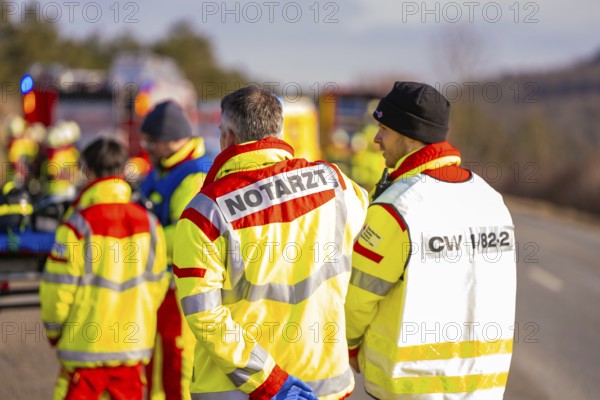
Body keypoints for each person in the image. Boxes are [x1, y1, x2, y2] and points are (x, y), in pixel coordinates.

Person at [172, 85, 369, 400]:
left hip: (240, 390)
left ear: (230, 138)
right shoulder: (337, 182)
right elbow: (374, 249)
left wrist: (271, 382)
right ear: (277, 130)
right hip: (325, 383)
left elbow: (205, 315)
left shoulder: (204, 212)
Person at [344, 82, 517, 399]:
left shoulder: (397, 207)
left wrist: (348, 345)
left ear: (409, 135)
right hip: (483, 387)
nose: (377, 138)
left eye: (384, 128)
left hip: (410, 389)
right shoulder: (492, 200)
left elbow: (357, 298)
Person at [40, 137, 169, 399]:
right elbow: (158, 286)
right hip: (133, 355)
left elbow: (57, 292)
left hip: (85, 356)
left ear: (87, 171)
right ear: (123, 171)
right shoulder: (150, 223)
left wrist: (54, 333)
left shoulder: (76, 225)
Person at [139, 100, 212, 400]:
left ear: (168, 140)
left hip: (181, 288)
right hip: (160, 285)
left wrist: (134, 237)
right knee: (157, 363)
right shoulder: (164, 169)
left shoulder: (193, 176)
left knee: (177, 365)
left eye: (151, 142)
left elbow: (186, 234)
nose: (147, 147)